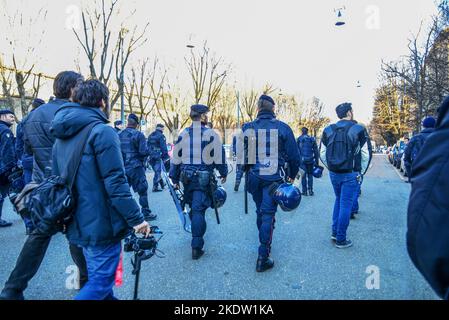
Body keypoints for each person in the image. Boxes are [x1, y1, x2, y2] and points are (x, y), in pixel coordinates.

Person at [50, 79, 150, 300]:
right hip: (101, 223)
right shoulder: (102, 132)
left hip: (74, 219)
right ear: (102, 102)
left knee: (100, 285)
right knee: (101, 282)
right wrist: (137, 219)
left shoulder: (62, 134)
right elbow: (115, 182)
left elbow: (55, 177)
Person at [0, 71, 88, 300]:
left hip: (43, 186)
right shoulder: (73, 114)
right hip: (69, 185)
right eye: (80, 85)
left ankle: (12, 289)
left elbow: (27, 151)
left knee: (38, 238)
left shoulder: (33, 116)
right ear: (71, 88)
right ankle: (86, 284)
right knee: (76, 236)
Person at [240, 95, 300, 272]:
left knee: (261, 212)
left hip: (254, 178)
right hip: (272, 178)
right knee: (267, 215)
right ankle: (263, 256)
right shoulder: (282, 128)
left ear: (258, 109)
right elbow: (294, 157)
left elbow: (246, 156)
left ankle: (264, 243)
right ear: (273, 109)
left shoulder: (248, 127)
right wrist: (291, 176)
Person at [170, 104, 228, 260]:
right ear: (202, 116)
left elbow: (176, 157)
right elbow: (219, 156)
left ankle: (196, 238)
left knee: (194, 207)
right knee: (198, 210)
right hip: (203, 179)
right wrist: (223, 172)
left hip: (186, 178)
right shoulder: (211, 134)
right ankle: (196, 246)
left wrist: (174, 178)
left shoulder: (183, 134)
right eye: (206, 114)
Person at [407, 97, 449, 300]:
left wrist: (409, 175)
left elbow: (408, 157)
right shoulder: (437, 138)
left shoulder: (422, 139)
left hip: (423, 183)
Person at [320, 103, 372, 249]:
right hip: (350, 173)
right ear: (349, 112)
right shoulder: (358, 129)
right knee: (346, 205)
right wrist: (361, 172)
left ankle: (335, 232)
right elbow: (366, 153)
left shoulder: (328, 129)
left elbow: (322, 153)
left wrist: (330, 166)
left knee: (338, 199)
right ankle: (341, 239)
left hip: (334, 173)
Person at [15, 98, 46, 234]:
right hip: (41, 160)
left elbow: (20, 144)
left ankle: (29, 224)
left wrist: (20, 159)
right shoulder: (44, 118)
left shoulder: (24, 121)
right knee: (45, 190)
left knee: (29, 190)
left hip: (27, 159)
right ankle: (44, 221)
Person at [119, 114, 156, 221]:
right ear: (136, 124)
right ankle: (145, 212)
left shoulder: (119, 134)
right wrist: (150, 151)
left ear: (128, 122)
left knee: (124, 191)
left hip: (123, 167)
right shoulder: (138, 135)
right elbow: (143, 151)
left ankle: (123, 214)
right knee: (142, 190)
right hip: (136, 167)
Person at [403, 117, 436, 183]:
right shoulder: (442, 138)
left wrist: (410, 176)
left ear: (423, 126)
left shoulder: (415, 138)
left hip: (418, 174)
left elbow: (406, 158)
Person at [0, 109, 17, 228]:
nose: (13, 118)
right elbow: (8, 152)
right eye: (11, 116)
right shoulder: (5, 130)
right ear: (3, 116)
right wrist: (10, 168)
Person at [297, 127, 319, 196]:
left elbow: (296, 151)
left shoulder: (299, 139)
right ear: (307, 132)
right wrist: (317, 162)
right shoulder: (312, 139)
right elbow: (316, 151)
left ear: (302, 132)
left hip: (302, 161)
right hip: (310, 160)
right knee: (310, 175)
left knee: (303, 176)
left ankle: (304, 191)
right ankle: (310, 190)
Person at [147, 124, 169, 192]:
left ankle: (162, 184)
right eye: (163, 129)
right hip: (157, 155)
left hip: (150, 156)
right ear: (162, 129)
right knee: (158, 171)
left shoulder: (150, 135)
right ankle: (155, 187)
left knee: (156, 171)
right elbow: (164, 148)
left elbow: (147, 145)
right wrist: (166, 157)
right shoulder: (161, 136)